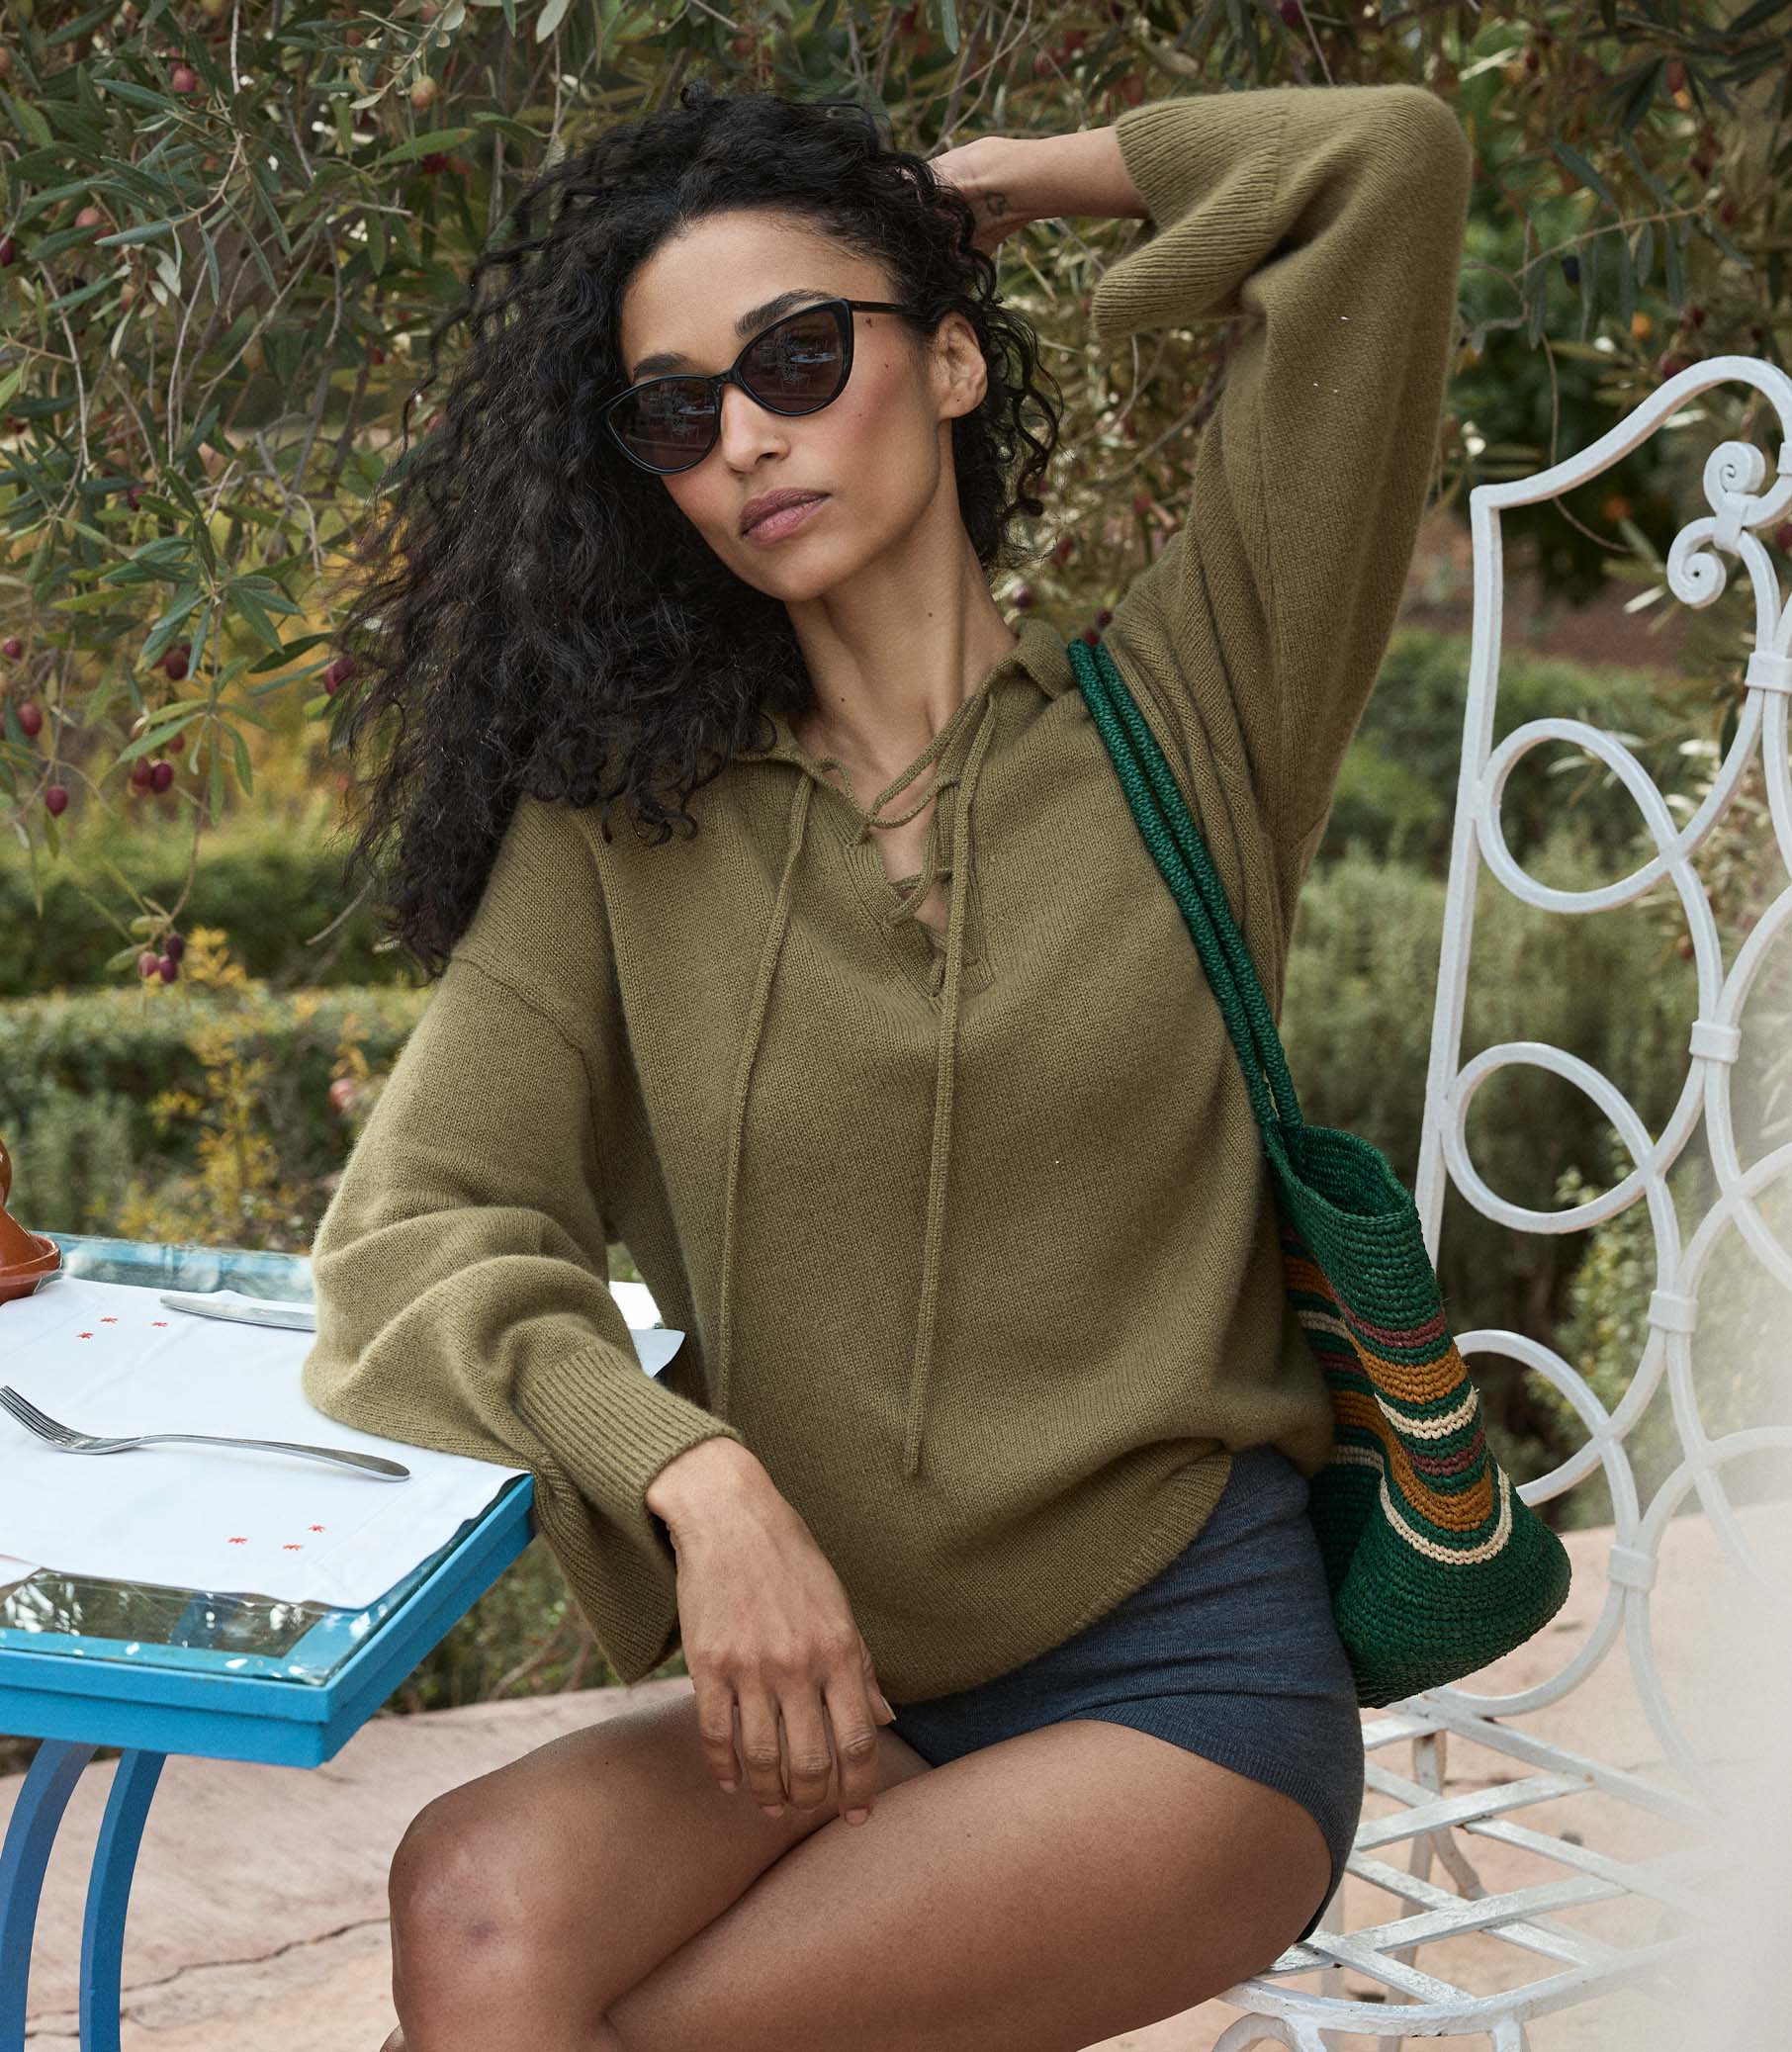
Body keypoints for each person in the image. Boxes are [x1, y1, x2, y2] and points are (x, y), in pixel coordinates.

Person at [303, 70, 1474, 2052]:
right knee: (476, 1901)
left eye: (798, 350)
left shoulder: (1192, 714)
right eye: (677, 408)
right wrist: (701, 1481)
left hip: (1182, 1682)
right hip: (841, 1680)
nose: (745, 431)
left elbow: (1387, 166)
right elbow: (408, 1237)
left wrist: (979, 193)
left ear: (946, 368)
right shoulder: (626, 835)